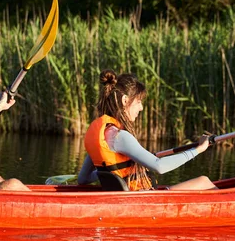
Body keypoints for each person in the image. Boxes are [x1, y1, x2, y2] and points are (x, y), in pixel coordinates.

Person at [78, 69, 217, 191]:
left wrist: (110, 170)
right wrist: (198, 149)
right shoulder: (120, 137)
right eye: (138, 101)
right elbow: (160, 166)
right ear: (125, 100)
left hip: (130, 198)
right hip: (142, 200)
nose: (141, 107)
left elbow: (82, 179)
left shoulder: (101, 136)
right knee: (204, 182)